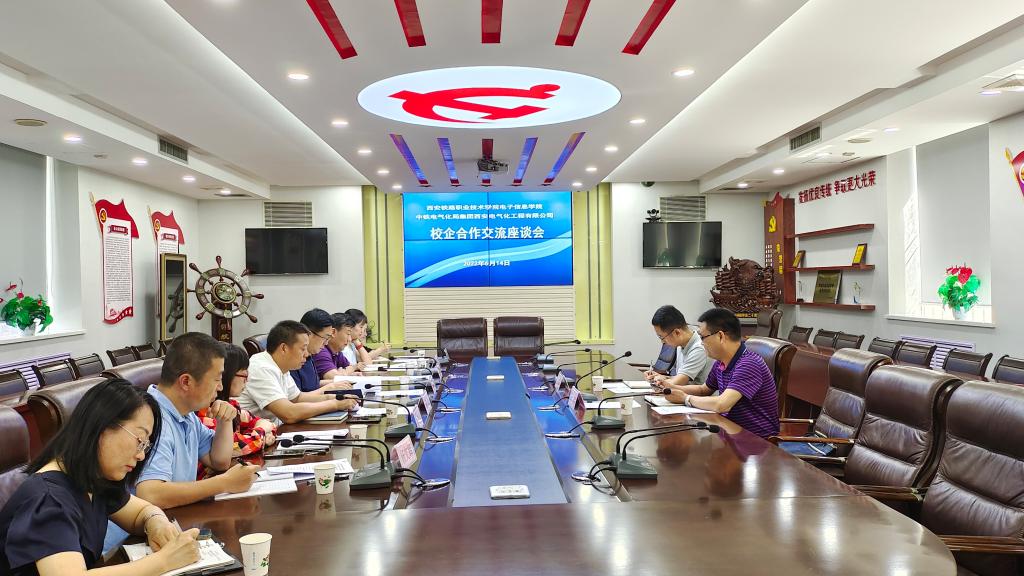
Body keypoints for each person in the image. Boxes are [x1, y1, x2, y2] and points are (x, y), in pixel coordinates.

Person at [0, 379, 202, 575]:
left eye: (146, 446)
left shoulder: (92, 479)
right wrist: (165, 560)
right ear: (102, 427)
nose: (141, 455)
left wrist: (156, 522)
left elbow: (141, 512)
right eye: (139, 440)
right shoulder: (49, 499)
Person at [669, 308, 779, 438]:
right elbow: (703, 390)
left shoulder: (749, 364)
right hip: (729, 432)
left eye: (702, 337)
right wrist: (670, 387)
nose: (701, 343)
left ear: (720, 336)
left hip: (756, 440)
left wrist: (686, 398)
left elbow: (722, 405)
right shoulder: (721, 362)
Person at [237, 320, 360, 425]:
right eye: (303, 349)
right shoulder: (261, 368)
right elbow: (289, 414)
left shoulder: (281, 366)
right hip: (255, 436)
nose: (306, 354)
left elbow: (297, 398)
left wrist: (336, 397)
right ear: (284, 348)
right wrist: (335, 404)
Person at [195, 345, 278, 478]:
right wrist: (261, 433)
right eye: (244, 375)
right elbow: (232, 448)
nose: (247, 380)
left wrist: (261, 432)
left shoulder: (232, 406)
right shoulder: (204, 412)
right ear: (226, 375)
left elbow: (266, 423)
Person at [644, 305, 709, 403]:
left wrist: (658, 382)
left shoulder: (699, 348)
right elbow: (680, 379)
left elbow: (677, 383)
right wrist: (662, 377)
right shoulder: (681, 344)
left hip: (698, 402)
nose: (662, 342)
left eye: (661, 337)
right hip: (684, 398)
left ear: (677, 333)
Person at [291, 308, 337, 392]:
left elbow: (312, 385)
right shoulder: (293, 359)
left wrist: (337, 383)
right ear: (309, 334)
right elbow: (298, 397)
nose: (326, 343)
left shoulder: (310, 355)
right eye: (325, 338)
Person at [313, 312, 365, 380]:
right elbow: (335, 377)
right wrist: (353, 368)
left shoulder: (337, 352)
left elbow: (347, 369)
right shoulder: (321, 350)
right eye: (348, 334)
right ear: (333, 332)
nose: (349, 339)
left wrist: (348, 372)